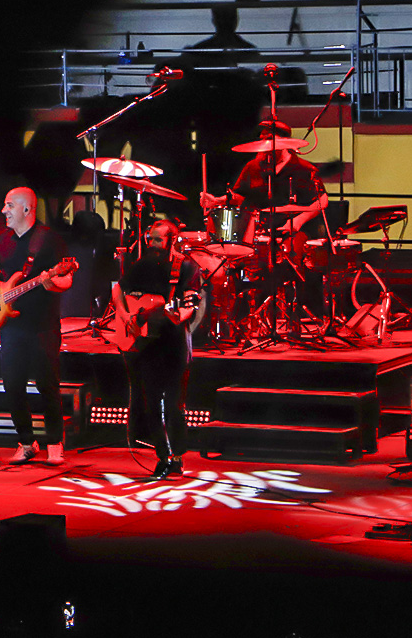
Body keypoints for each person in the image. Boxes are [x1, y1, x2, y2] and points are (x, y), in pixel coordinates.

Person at [0, 187, 74, 466]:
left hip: (42, 324)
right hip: (11, 325)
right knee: (12, 384)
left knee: (47, 383)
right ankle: (26, 441)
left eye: (9, 205)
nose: (3, 211)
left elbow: (67, 278)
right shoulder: (3, 240)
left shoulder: (49, 239)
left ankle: (54, 442)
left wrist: (53, 282)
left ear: (27, 209)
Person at [111, 220, 201, 479]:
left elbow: (189, 305)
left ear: (172, 240)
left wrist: (179, 314)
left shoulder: (187, 267)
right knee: (151, 403)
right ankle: (162, 456)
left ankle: (178, 457)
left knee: (174, 405)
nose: (152, 244)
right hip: (146, 343)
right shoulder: (144, 264)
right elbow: (119, 288)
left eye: (157, 240)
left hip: (173, 342)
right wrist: (126, 314)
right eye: (150, 239)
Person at [200, 119, 328, 243]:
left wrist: (298, 221)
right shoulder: (253, 167)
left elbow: (322, 200)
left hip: (294, 231)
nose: (264, 144)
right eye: (262, 139)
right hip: (259, 230)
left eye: (269, 139)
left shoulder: (303, 168)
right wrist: (217, 201)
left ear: (285, 142)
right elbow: (240, 196)